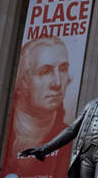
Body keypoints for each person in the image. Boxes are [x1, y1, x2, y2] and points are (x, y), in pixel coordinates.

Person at [4, 37, 74, 165]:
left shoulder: (68, 135)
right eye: (45, 72)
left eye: (63, 69)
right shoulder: (3, 133)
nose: (57, 83)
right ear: (22, 81)